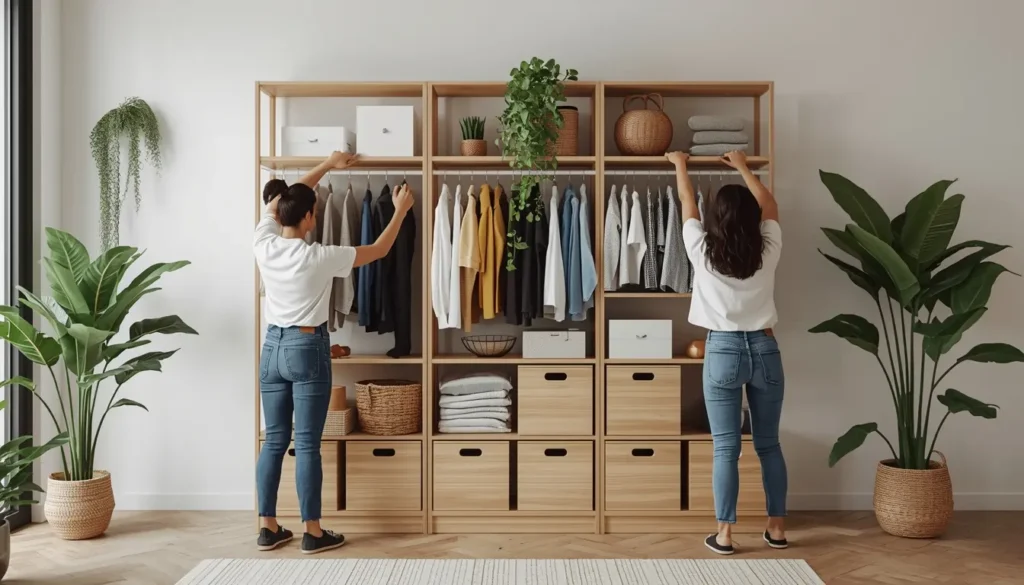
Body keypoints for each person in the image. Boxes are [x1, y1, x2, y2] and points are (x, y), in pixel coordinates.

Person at [253, 151, 414, 554]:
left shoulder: (263, 243)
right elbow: (379, 249)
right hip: (306, 347)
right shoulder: (320, 256)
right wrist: (400, 210)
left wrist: (327, 165)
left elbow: (283, 200)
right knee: (307, 443)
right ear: (309, 217)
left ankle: (268, 527)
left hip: (271, 349)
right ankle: (313, 531)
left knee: (274, 440)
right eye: (315, 211)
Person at [666, 150, 787, 555]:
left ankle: (725, 535)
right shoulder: (768, 249)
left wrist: (680, 165)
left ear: (715, 218)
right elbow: (769, 202)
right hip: (765, 348)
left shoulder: (702, 251)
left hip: (722, 349)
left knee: (726, 448)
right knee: (769, 444)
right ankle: (777, 530)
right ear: (753, 218)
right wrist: (742, 167)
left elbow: (687, 202)